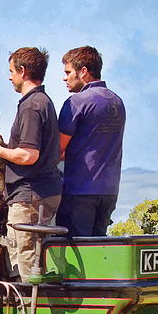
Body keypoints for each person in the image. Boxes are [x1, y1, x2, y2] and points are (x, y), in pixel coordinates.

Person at [0, 47, 62, 279]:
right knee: (38, 258)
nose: (9, 76)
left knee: (25, 258)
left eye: (11, 71)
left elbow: (28, 156)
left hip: (29, 194)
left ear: (22, 71)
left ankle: (32, 311)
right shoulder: (43, 102)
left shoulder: (31, 106)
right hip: (44, 190)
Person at [56, 46, 126, 237]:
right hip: (109, 191)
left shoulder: (76, 102)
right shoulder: (117, 101)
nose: (65, 78)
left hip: (79, 190)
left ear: (83, 71)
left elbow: (58, 149)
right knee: (98, 249)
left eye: (68, 72)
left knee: (75, 252)